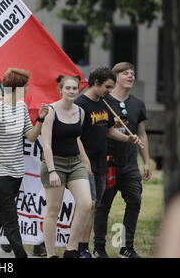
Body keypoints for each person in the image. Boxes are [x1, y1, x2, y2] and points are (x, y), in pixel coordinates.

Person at [0, 68, 49, 258]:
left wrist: (40, 119)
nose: (28, 89)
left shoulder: (22, 108)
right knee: (10, 218)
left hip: (17, 172)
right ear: (17, 87)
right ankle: (21, 254)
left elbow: (31, 137)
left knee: (0, 213)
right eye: (26, 85)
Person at [74, 67, 142, 258]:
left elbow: (109, 130)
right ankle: (81, 248)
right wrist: (84, 160)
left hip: (101, 162)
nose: (110, 91)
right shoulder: (81, 104)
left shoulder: (103, 103)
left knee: (94, 206)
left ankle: (84, 249)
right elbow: (75, 135)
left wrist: (127, 139)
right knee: (88, 205)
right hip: (85, 163)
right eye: (107, 87)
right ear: (95, 83)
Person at [93, 62, 151, 258]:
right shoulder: (103, 100)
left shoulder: (138, 104)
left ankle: (126, 247)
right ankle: (99, 247)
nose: (130, 76)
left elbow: (142, 134)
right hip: (107, 162)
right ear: (116, 77)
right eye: (126, 73)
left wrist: (146, 162)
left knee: (134, 201)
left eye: (133, 74)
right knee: (103, 206)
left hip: (130, 164)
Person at [41, 75, 92, 258]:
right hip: (55, 163)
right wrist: (53, 170)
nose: (72, 91)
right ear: (60, 90)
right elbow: (46, 143)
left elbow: (76, 138)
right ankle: (50, 254)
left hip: (75, 162)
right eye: (68, 88)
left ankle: (71, 249)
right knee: (53, 210)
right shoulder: (50, 111)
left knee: (86, 203)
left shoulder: (81, 112)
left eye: (75, 88)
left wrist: (85, 161)